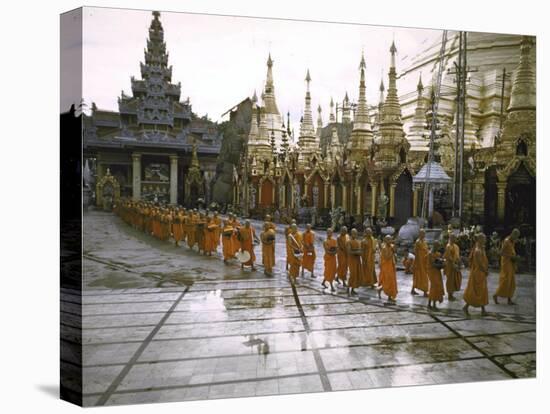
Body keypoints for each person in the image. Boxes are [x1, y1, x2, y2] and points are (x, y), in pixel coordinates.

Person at [463, 233, 489, 316]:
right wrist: (485, 271)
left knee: (481, 291)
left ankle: (483, 310)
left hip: (481, 273)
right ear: (480, 239)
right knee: (477, 291)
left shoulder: (481, 248)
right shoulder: (477, 250)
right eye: (484, 239)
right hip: (478, 273)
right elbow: (480, 264)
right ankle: (466, 307)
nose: (485, 240)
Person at [494, 228, 520, 305]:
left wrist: (515, 257)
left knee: (512, 282)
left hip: (511, 263)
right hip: (506, 263)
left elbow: (511, 251)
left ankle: (509, 299)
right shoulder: (506, 241)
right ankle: (495, 295)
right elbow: (501, 253)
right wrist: (511, 257)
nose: (516, 238)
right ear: (513, 234)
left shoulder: (512, 241)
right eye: (516, 236)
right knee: (506, 281)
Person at [377, 235, 397, 302]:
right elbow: (387, 257)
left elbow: (395, 251)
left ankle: (381, 290)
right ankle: (389, 296)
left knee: (391, 281)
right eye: (388, 240)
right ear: (385, 240)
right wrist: (392, 252)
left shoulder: (391, 246)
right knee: (388, 280)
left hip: (391, 265)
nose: (389, 241)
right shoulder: (384, 248)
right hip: (385, 267)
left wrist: (395, 245)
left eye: (390, 239)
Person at [444, 234, 462, 301]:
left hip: (455, 265)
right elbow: (448, 256)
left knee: (455, 280)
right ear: (450, 238)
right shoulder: (448, 246)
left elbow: (457, 256)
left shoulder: (456, 246)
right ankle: (449, 295)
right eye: (452, 238)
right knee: (450, 281)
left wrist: (459, 263)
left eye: (455, 238)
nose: (454, 239)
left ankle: (452, 294)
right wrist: (453, 264)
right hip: (450, 266)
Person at [427, 241, 445, 309]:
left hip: (437, 271)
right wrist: (441, 265)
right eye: (436, 246)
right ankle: (432, 304)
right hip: (432, 271)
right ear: (434, 245)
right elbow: (433, 264)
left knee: (436, 286)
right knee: (434, 286)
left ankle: (431, 304)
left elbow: (438, 260)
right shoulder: (430, 254)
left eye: (438, 246)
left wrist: (442, 263)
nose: (437, 247)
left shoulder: (437, 253)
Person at [412, 229, 429, 296]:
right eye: (422, 233)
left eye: (424, 234)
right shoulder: (418, 242)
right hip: (419, 262)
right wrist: (416, 263)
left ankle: (412, 290)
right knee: (421, 276)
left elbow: (426, 250)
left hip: (424, 261)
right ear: (419, 234)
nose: (423, 235)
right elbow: (416, 253)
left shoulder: (424, 241)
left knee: (418, 277)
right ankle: (425, 292)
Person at [346, 228, 363, 295]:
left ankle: (353, 289)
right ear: (351, 234)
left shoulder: (358, 242)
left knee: (357, 274)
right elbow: (349, 251)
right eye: (353, 233)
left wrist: (360, 252)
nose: (355, 235)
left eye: (356, 233)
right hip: (351, 260)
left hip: (357, 260)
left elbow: (360, 250)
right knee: (352, 274)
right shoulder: (349, 242)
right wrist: (357, 252)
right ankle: (348, 288)